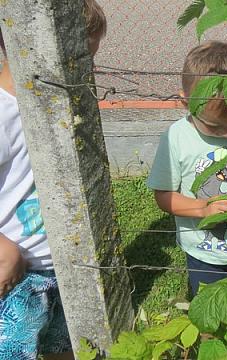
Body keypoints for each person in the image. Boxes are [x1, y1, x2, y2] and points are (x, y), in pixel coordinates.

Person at [0, 1, 106, 359]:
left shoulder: (59, 103)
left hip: (62, 263)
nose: (87, 70)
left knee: (67, 345)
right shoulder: (2, 116)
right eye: (78, 58)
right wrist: (4, 249)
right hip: (18, 275)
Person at [147, 41, 227, 297]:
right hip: (202, 250)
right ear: (185, 103)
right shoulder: (176, 137)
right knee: (211, 306)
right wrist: (202, 209)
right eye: (214, 127)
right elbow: (163, 195)